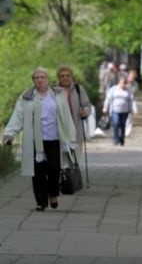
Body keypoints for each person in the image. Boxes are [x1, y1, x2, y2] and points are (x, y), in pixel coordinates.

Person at [2, 67, 77, 211]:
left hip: (55, 139)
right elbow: (18, 116)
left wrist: (71, 138)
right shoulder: (27, 97)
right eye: (37, 77)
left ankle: (53, 194)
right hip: (35, 141)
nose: (40, 80)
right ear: (33, 80)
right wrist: (9, 134)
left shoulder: (57, 95)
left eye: (43, 77)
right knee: (38, 173)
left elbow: (66, 117)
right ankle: (41, 202)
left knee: (54, 169)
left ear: (48, 79)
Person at [55, 65, 92, 160]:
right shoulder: (54, 91)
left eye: (68, 75)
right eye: (62, 76)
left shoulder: (79, 89)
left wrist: (85, 112)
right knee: (61, 162)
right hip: (59, 133)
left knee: (75, 162)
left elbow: (87, 105)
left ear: (72, 77)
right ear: (58, 78)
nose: (65, 78)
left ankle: (73, 174)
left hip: (76, 132)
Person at [102, 74, 137, 146]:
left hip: (125, 111)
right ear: (119, 82)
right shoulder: (113, 89)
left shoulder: (128, 91)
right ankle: (115, 138)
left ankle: (122, 139)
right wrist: (105, 108)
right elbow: (108, 99)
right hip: (115, 110)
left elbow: (132, 100)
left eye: (125, 83)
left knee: (123, 125)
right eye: (122, 83)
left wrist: (134, 109)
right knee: (116, 123)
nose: (123, 84)